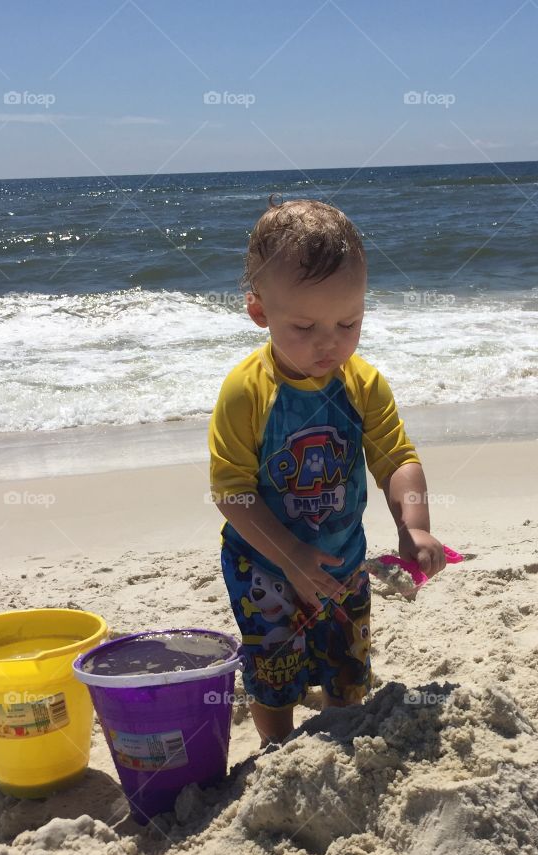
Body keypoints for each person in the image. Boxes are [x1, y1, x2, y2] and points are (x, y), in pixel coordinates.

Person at [208, 195, 445, 749]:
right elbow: (231, 491)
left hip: (342, 555)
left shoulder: (362, 384)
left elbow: (396, 459)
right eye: (305, 325)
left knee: (347, 666)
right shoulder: (247, 391)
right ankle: (276, 747)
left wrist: (415, 526)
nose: (329, 342)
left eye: (348, 322)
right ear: (259, 312)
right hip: (264, 562)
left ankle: (341, 737)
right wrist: (290, 558)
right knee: (273, 670)